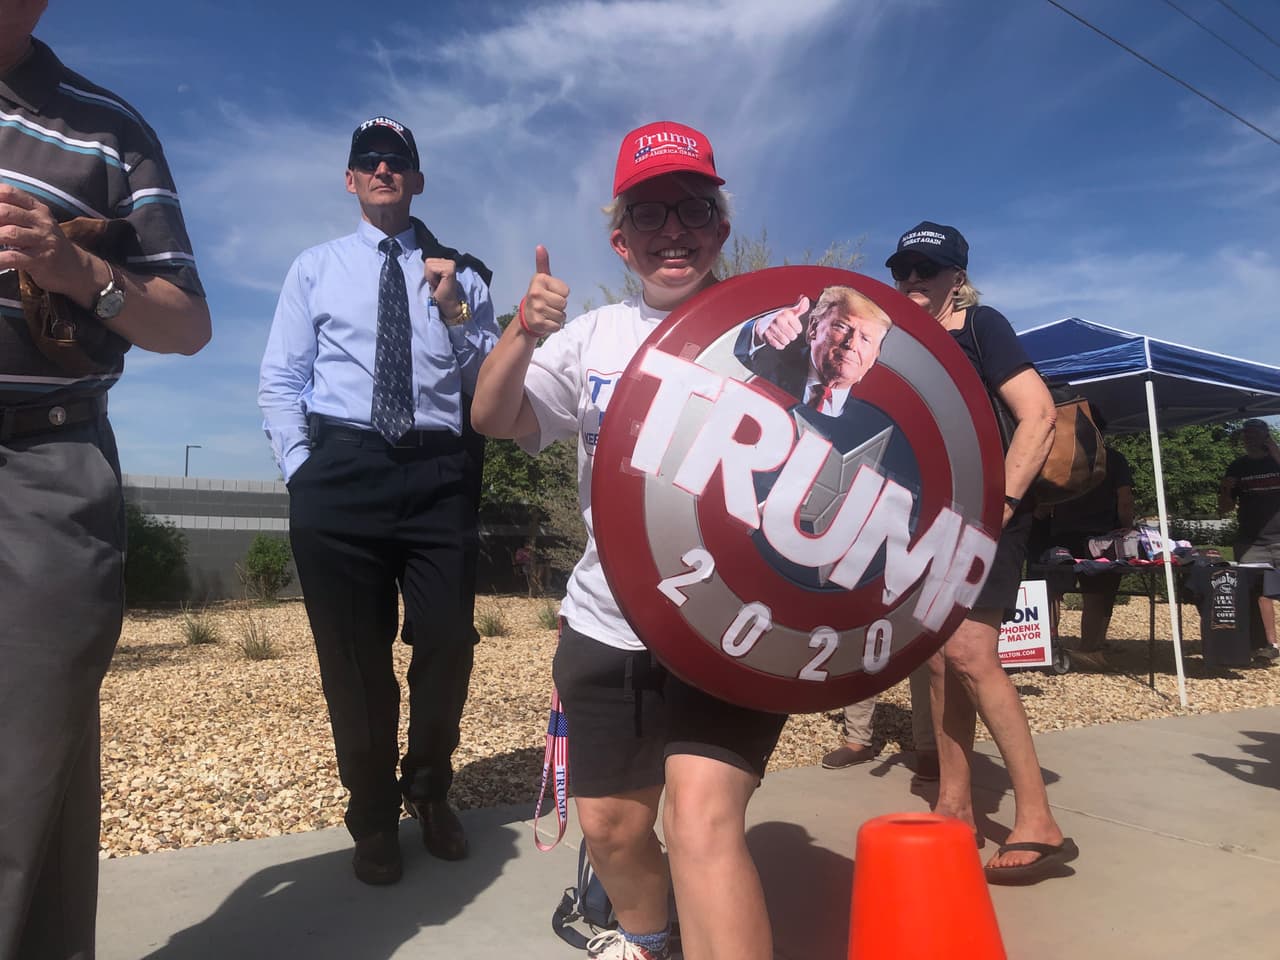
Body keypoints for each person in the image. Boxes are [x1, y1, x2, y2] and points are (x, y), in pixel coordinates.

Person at [472, 120, 783, 960]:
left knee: (699, 821)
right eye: (649, 215)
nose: (672, 231)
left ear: (720, 226)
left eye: (691, 209)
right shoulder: (591, 340)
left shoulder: (775, 330)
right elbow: (494, 417)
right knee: (610, 827)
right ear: (620, 240)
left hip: (734, 629)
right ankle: (651, 942)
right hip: (608, 621)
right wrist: (521, 333)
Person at [0, 3, 212, 955]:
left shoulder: (109, 130)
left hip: (43, 467)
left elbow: (186, 322)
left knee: (25, 773)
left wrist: (78, 266)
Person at [258, 115, 499, 885]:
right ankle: (372, 818)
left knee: (448, 644)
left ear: (418, 180)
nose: (384, 170)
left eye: (398, 161)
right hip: (341, 475)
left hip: (437, 478)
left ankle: (429, 791)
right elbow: (281, 379)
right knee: (355, 665)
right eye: (370, 161)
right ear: (352, 180)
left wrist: (457, 310)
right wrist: (302, 467)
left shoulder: (465, 274)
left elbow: (489, 391)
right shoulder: (314, 268)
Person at [887, 221, 1077, 884]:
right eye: (904, 270)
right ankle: (954, 807)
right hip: (930, 523)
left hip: (990, 518)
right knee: (939, 664)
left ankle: (1038, 820)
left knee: (970, 653)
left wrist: (998, 506)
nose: (913, 281)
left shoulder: (980, 327)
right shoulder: (904, 344)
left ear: (956, 278)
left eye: (927, 270)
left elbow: (1039, 413)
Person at [1041, 416, 1135, 669]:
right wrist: (1129, 528)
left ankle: (1049, 645)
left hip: (1063, 533)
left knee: (1054, 593)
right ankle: (1090, 648)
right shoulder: (1115, 459)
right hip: (1102, 537)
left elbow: (1046, 500)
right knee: (1097, 595)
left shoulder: (1062, 457)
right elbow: (1124, 499)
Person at [1218, 418, 1280, 661]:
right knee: (1257, 594)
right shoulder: (1237, 467)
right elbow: (1224, 509)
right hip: (1251, 541)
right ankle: (1268, 645)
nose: (1249, 438)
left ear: (1266, 437)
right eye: (1246, 434)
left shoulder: (1275, 462)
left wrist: (1273, 449)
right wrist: (1225, 490)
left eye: (1255, 433)